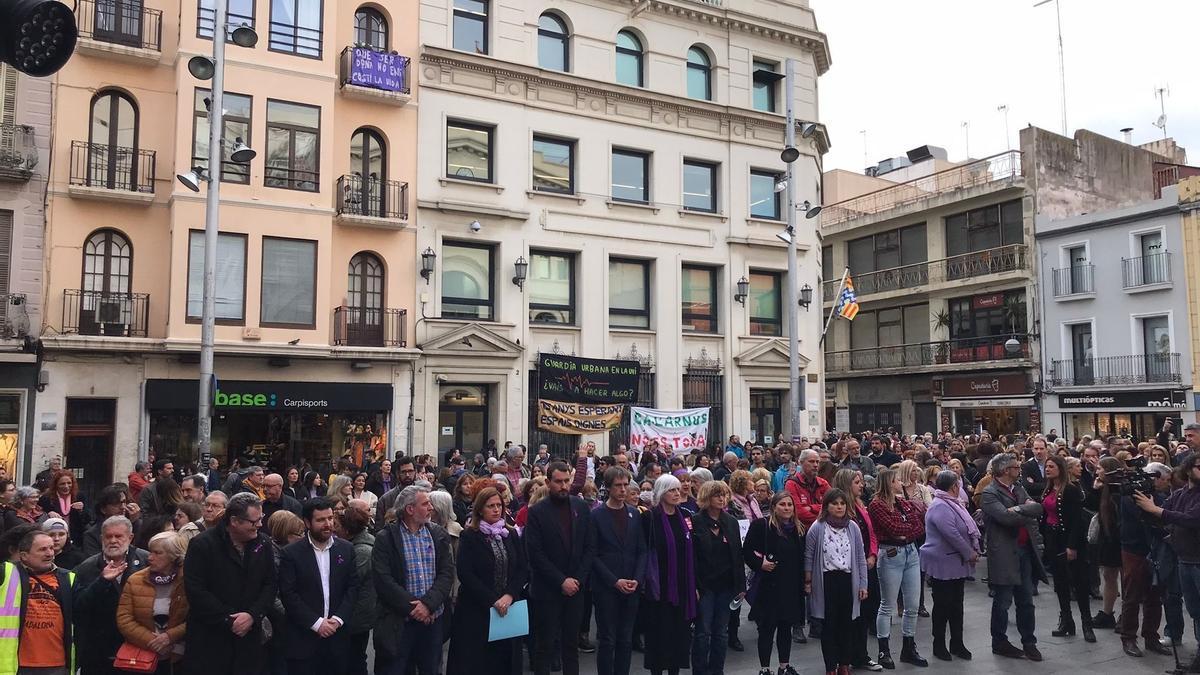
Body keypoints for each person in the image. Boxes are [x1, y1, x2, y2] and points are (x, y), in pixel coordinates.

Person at [182, 492, 277, 675]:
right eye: (253, 521)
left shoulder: (263, 543)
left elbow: (270, 584)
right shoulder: (202, 545)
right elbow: (196, 590)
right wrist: (229, 619)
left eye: (261, 518)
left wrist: (252, 615)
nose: (259, 525)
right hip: (210, 641)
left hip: (249, 642)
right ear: (234, 521)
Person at [372, 485, 455, 675]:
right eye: (425, 504)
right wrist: (414, 608)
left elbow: (446, 573)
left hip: (432, 620)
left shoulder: (438, 534)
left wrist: (428, 605)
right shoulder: (386, 538)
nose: (431, 508)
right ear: (410, 509)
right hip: (399, 622)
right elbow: (383, 580)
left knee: (430, 669)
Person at [446, 486, 528, 675]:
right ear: (480, 509)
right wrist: (493, 600)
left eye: (499, 505)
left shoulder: (510, 534)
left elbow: (523, 568)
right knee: (478, 662)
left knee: (506, 659)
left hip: (508, 608)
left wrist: (509, 595)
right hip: (477, 609)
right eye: (491, 506)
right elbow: (466, 573)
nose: (496, 509)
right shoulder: (470, 535)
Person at [525, 460, 595, 675]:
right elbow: (535, 554)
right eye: (558, 482)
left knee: (570, 646)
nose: (564, 486)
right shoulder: (537, 512)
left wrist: (577, 580)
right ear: (548, 482)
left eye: (567, 481)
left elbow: (589, 547)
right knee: (545, 645)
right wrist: (561, 581)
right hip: (547, 590)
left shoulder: (581, 507)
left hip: (576, 589)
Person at [1133, 452, 1200, 671]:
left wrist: (1156, 510)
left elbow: (1190, 519)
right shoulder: (1181, 494)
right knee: (1195, 610)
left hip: (1197, 560)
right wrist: (1143, 500)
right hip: (1184, 559)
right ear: (1189, 469)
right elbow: (1163, 514)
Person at [279, 497, 358, 675]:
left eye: (330, 518)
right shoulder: (291, 553)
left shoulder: (346, 549)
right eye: (321, 520)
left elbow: (352, 588)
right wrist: (317, 623)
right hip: (303, 639)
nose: (328, 524)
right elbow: (288, 594)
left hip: (337, 638)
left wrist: (337, 620)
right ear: (307, 522)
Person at [980, 453, 1045, 661]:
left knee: (1026, 600)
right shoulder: (989, 493)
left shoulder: (1018, 488)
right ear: (1006, 470)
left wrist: (1017, 508)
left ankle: (1029, 641)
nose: (1020, 470)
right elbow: (1005, 518)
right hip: (1005, 553)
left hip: (1025, 550)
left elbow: (1037, 508)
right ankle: (999, 641)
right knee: (1003, 600)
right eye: (1016, 467)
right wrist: (1022, 512)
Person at [74, 515, 148, 675]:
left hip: (138, 650)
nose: (113, 541)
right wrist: (102, 581)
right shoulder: (86, 568)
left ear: (131, 537)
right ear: (101, 538)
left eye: (118, 536)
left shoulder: (146, 562)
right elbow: (79, 608)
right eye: (108, 536)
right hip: (98, 653)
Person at [867, 467, 926, 668]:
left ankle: (909, 647)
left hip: (911, 552)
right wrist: (905, 530)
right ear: (889, 482)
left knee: (912, 605)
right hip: (891, 554)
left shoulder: (901, 502)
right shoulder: (876, 505)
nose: (900, 482)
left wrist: (905, 532)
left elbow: (919, 526)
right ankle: (884, 649)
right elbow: (892, 528)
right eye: (897, 480)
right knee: (887, 605)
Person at [806, 489, 869, 675]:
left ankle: (844, 664)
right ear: (827, 506)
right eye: (835, 503)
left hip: (848, 580)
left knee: (847, 625)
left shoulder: (853, 527)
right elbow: (809, 555)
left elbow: (860, 556)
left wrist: (863, 584)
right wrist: (808, 580)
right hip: (826, 580)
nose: (839, 506)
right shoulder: (817, 527)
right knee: (829, 625)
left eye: (842, 503)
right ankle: (830, 666)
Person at [742, 491, 805, 675]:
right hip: (768, 587)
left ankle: (784, 666)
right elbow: (746, 551)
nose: (786, 508)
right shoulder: (761, 526)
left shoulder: (798, 529)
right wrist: (760, 563)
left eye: (789, 505)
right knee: (767, 630)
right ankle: (764, 668)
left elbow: (802, 558)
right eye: (782, 505)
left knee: (785, 628)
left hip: (790, 587)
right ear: (774, 507)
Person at [591, 467, 646, 675]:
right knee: (607, 639)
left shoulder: (634, 513)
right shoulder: (596, 515)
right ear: (608, 487)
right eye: (618, 486)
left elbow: (642, 549)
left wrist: (637, 579)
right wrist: (614, 581)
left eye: (626, 485)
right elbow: (593, 554)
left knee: (625, 639)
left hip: (631, 586)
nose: (623, 490)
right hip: (607, 588)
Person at [919, 470, 979, 661]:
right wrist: (969, 553)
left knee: (956, 605)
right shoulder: (940, 506)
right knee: (942, 606)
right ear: (954, 486)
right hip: (943, 563)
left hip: (955, 563)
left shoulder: (953, 503)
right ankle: (939, 644)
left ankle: (957, 643)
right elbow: (951, 533)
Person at [1117, 462, 1173, 657]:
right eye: (1165, 480)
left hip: (1155, 548)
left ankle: (1151, 636)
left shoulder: (1160, 496)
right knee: (1132, 594)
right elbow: (1149, 518)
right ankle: (1128, 637)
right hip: (1134, 548)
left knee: (1155, 594)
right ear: (1155, 478)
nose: (1167, 484)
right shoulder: (1131, 495)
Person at [4, 529, 79, 673]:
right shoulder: (8, 574)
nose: (50, 553)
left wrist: (103, 581)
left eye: (51, 548)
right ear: (24, 556)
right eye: (42, 549)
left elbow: (85, 604)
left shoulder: (68, 577)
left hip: (57, 663)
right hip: (20, 664)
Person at [641, 474, 694, 675]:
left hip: (682, 585)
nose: (677, 493)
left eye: (678, 489)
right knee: (659, 634)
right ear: (662, 492)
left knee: (678, 635)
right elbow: (645, 550)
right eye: (672, 490)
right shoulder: (650, 517)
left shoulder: (686, 516)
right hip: (659, 586)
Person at [691, 480, 745, 675]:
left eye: (724, 495)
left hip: (726, 585)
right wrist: (694, 586)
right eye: (717, 495)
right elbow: (692, 557)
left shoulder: (730, 522)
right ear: (706, 498)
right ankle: (699, 670)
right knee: (703, 632)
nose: (722, 499)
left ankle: (717, 670)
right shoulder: (695, 521)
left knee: (721, 633)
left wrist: (740, 585)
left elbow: (737, 555)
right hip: (704, 585)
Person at [116, 531, 190, 674]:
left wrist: (170, 637)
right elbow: (124, 619)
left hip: (181, 657)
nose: (150, 557)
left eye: (157, 553)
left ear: (173, 556)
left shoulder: (187, 581)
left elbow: (195, 616)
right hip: (142, 657)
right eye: (150, 552)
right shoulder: (135, 580)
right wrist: (154, 642)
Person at [1039, 455, 1094, 643]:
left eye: (1051, 466)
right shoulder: (1047, 490)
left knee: (1079, 582)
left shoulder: (1070, 490)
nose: (1047, 469)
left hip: (1069, 539)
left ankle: (1087, 623)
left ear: (1060, 468)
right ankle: (1066, 620)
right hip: (1052, 539)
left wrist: (1072, 545)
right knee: (1060, 583)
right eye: (1046, 466)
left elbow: (1078, 521)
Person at [831, 469, 881, 672]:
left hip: (868, 564)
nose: (862, 485)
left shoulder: (861, 505)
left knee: (869, 607)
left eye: (861, 481)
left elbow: (871, 533)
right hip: (850, 569)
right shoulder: (843, 510)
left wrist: (873, 554)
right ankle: (849, 655)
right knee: (853, 613)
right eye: (857, 482)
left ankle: (859, 654)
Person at [335, 507, 375, 675]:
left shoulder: (362, 551)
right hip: (353, 614)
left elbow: (349, 582)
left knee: (355, 658)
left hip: (357, 616)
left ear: (347, 529)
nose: (333, 527)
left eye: (336, 524)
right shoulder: (354, 545)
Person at [81, 484, 141, 558]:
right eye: (116, 504)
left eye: (124, 502)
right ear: (103, 509)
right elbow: (94, 563)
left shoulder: (136, 524)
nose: (123, 507)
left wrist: (133, 523)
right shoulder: (92, 534)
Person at [38, 470, 89, 545]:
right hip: (54, 538)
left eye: (69, 483)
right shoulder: (46, 498)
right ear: (56, 485)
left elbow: (88, 519)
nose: (66, 486)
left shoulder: (79, 496)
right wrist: (48, 513)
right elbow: (38, 516)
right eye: (62, 484)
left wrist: (82, 510)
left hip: (76, 539)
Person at [375, 456, 419, 525]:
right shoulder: (385, 499)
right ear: (398, 473)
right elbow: (379, 529)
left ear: (415, 472)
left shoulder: (424, 496)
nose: (407, 475)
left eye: (410, 471)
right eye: (403, 472)